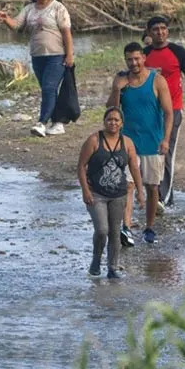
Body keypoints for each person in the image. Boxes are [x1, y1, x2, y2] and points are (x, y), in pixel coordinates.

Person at [108, 42, 173, 244]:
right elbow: (111, 111)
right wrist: (117, 90)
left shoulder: (157, 81)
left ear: (144, 58)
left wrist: (166, 139)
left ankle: (149, 227)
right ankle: (126, 228)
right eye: (129, 59)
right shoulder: (121, 81)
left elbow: (169, 112)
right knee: (127, 186)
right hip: (128, 144)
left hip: (152, 143)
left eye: (137, 58)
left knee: (152, 187)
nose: (134, 63)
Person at [0, 0, 75, 137]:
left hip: (56, 55)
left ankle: (41, 123)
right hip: (38, 56)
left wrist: (69, 55)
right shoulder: (29, 9)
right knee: (48, 90)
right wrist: (6, 19)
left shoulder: (57, 8)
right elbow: (17, 26)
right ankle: (58, 122)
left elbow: (66, 33)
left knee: (49, 87)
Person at [144, 16, 185, 210]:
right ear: (149, 33)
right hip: (149, 111)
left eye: (163, 29)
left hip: (173, 110)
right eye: (155, 29)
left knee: (167, 152)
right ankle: (156, 194)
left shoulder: (178, 52)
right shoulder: (144, 54)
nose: (160, 32)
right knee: (150, 153)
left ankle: (163, 198)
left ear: (167, 31)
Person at [78, 107, 144, 278]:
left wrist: (140, 192)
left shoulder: (127, 142)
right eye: (109, 119)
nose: (113, 123)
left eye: (116, 120)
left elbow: (134, 168)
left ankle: (112, 267)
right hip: (96, 193)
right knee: (102, 229)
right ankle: (96, 259)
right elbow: (81, 166)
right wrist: (85, 191)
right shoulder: (94, 140)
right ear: (104, 121)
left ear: (122, 123)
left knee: (115, 231)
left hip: (118, 194)